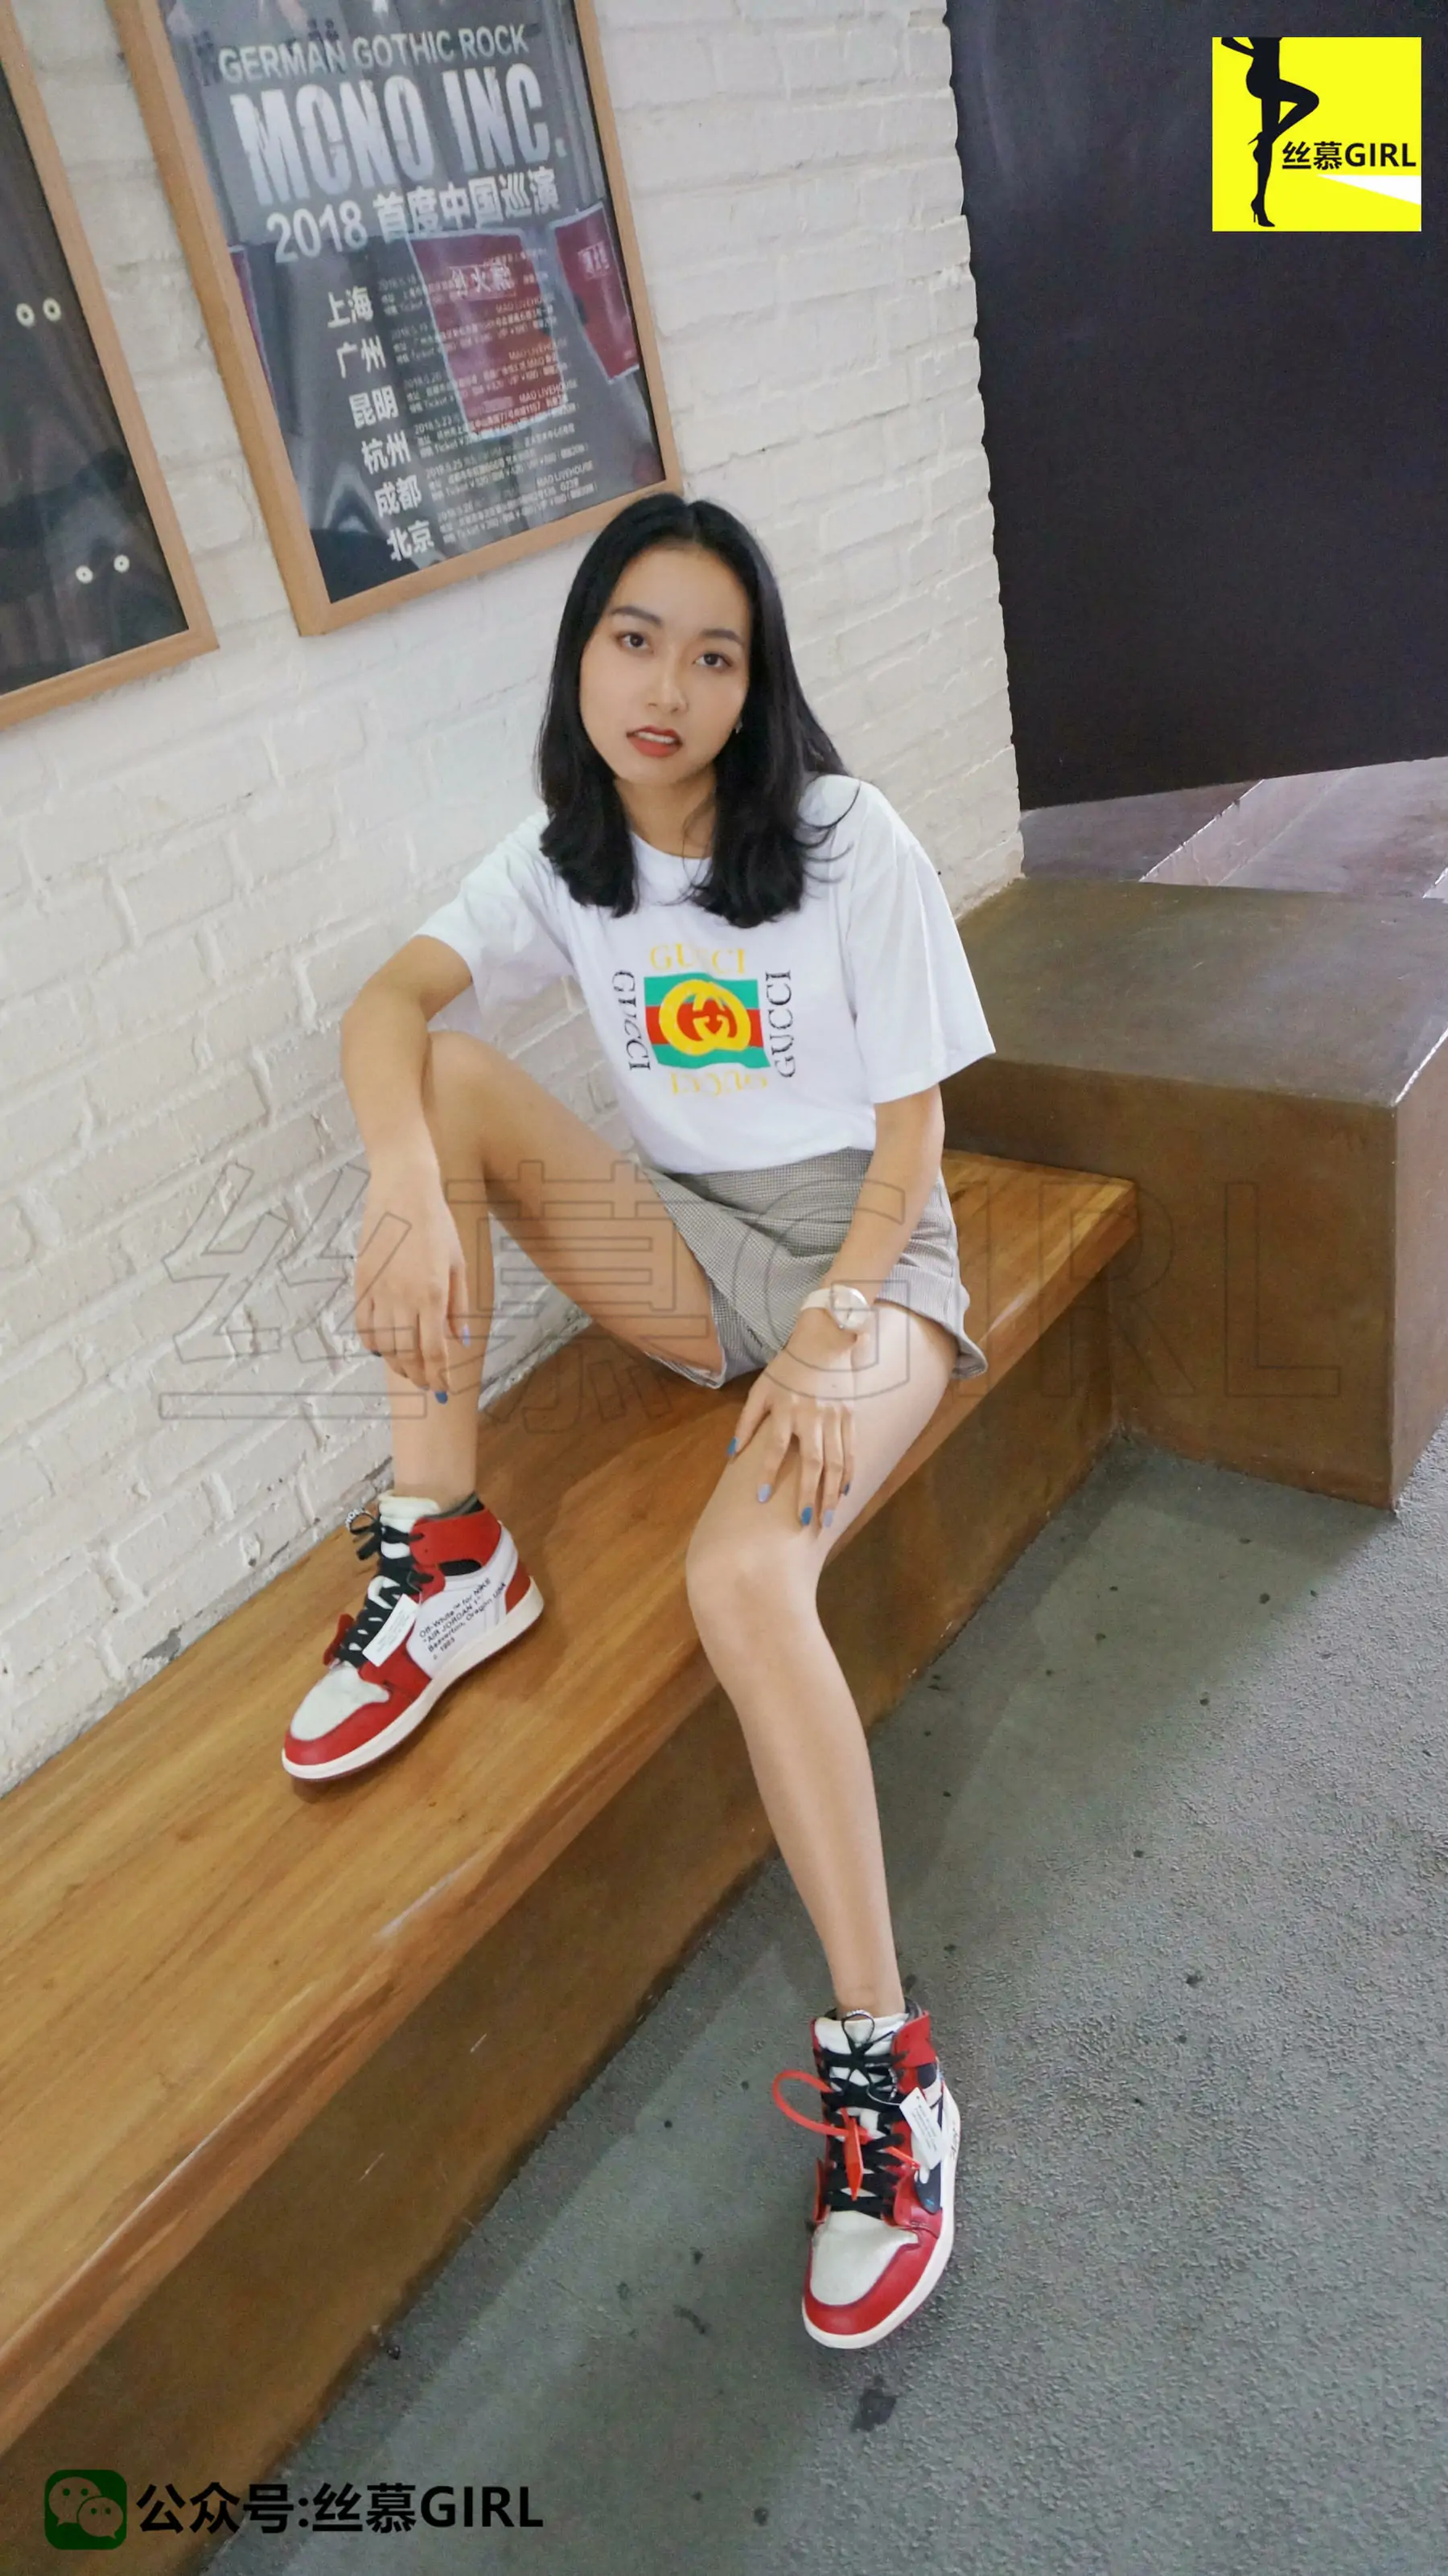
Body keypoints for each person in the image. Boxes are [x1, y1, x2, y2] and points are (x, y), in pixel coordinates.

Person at [281, 491, 997, 2350]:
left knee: (744, 1578)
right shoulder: (565, 859)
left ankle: (889, 2071)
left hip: (869, 1257)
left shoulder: (845, 840)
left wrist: (835, 1329)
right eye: (632, 637)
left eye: (713, 652)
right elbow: (391, 1002)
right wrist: (405, 1177)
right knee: (443, 1073)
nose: (665, 683)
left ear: (758, 686)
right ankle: (449, 1550)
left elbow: (914, 1142)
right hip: (693, 1250)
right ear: (582, 655)